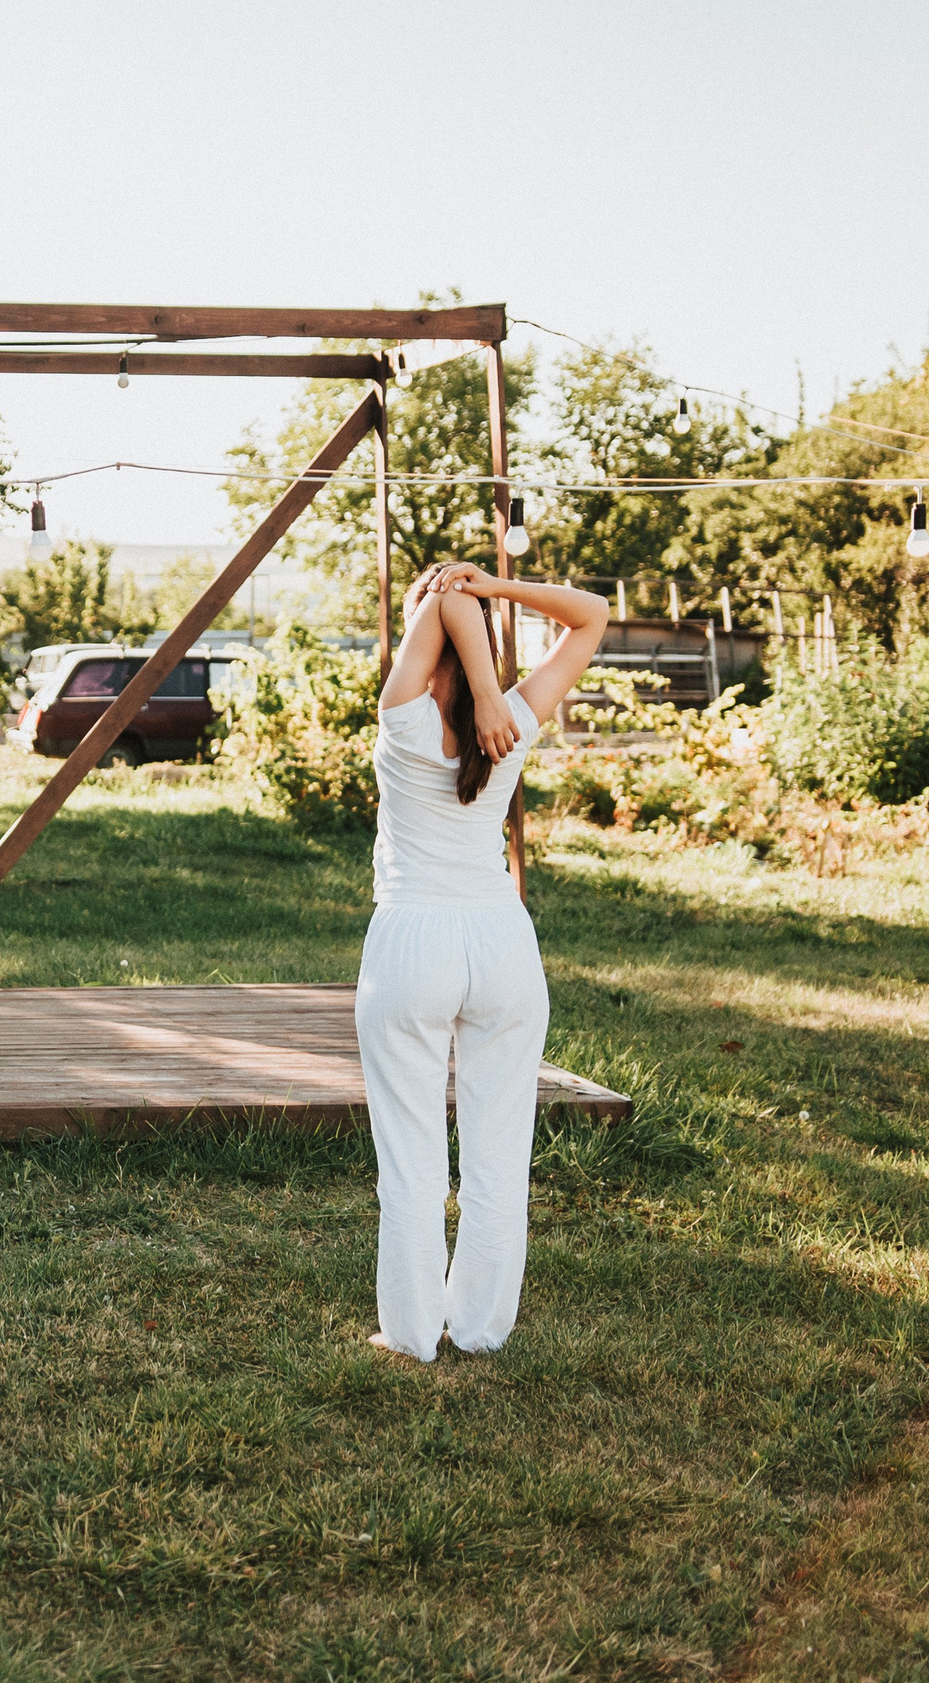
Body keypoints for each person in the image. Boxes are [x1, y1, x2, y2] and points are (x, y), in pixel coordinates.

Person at [357, 559, 609, 1364]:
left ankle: (411, 1334)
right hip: (502, 942)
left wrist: (455, 599)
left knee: (412, 1156)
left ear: (422, 639)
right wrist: (496, 605)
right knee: (502, 1150)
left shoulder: (401, 717)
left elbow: (441, 601)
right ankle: (481, 1328)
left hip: (413, 943)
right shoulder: (515, 722)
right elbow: (593, 614)